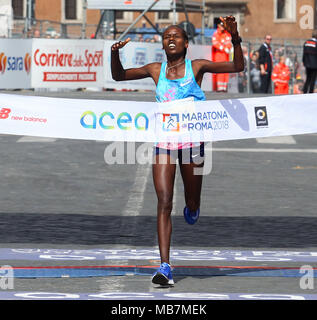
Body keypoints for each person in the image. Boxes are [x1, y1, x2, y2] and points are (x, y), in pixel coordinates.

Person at [111, 16, 244, 286]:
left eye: (176, 36)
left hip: (193, 144)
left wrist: (235, 37)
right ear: (163, 44)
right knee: (163, 201)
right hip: (164, 143)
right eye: (166, 36)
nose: (170, 39)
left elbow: (238, 66)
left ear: (186, 44)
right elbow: (119, 75)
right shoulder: (154, 70)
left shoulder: (197, 67)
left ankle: (193, 207)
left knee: (191, 203)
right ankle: (165, 266)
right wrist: (115, 54)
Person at [211, 18, 232, 92]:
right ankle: (219, 87)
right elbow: (215, 43)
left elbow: (229, 42)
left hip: (226, 56)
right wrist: (223, 48)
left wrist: (227, 48)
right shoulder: (216, 33)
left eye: (223, 26)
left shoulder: (227, 34)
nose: (222, 27)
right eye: (221, 25)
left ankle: (224, 87)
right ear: (218, 25)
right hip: (219, 55)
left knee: (226, 71)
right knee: (220, 71)